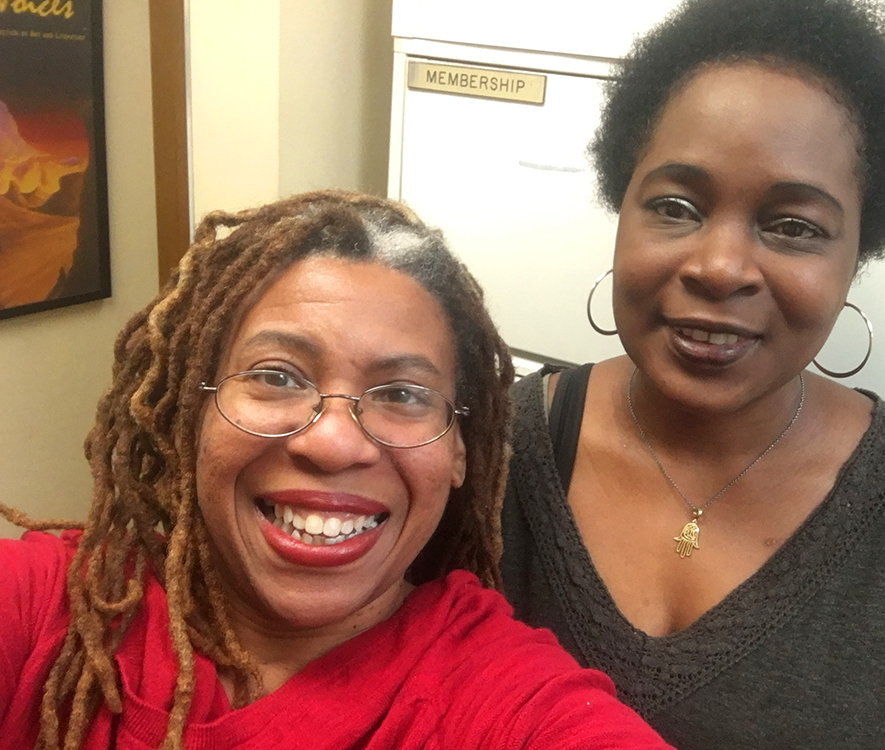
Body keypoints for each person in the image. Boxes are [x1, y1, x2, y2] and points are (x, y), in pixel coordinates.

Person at [0, 191, 672, 750]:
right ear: (191, 413)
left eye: (403, 393)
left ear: (461, 448)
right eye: (276, 376)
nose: (332, 442)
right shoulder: (47, 612)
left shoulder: (503, 702)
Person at [500, 0, 885, 746]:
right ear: (619, 207)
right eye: (676, 206)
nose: (719, 267)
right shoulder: (480, 458)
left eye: (793, 226)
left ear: (858, 254)